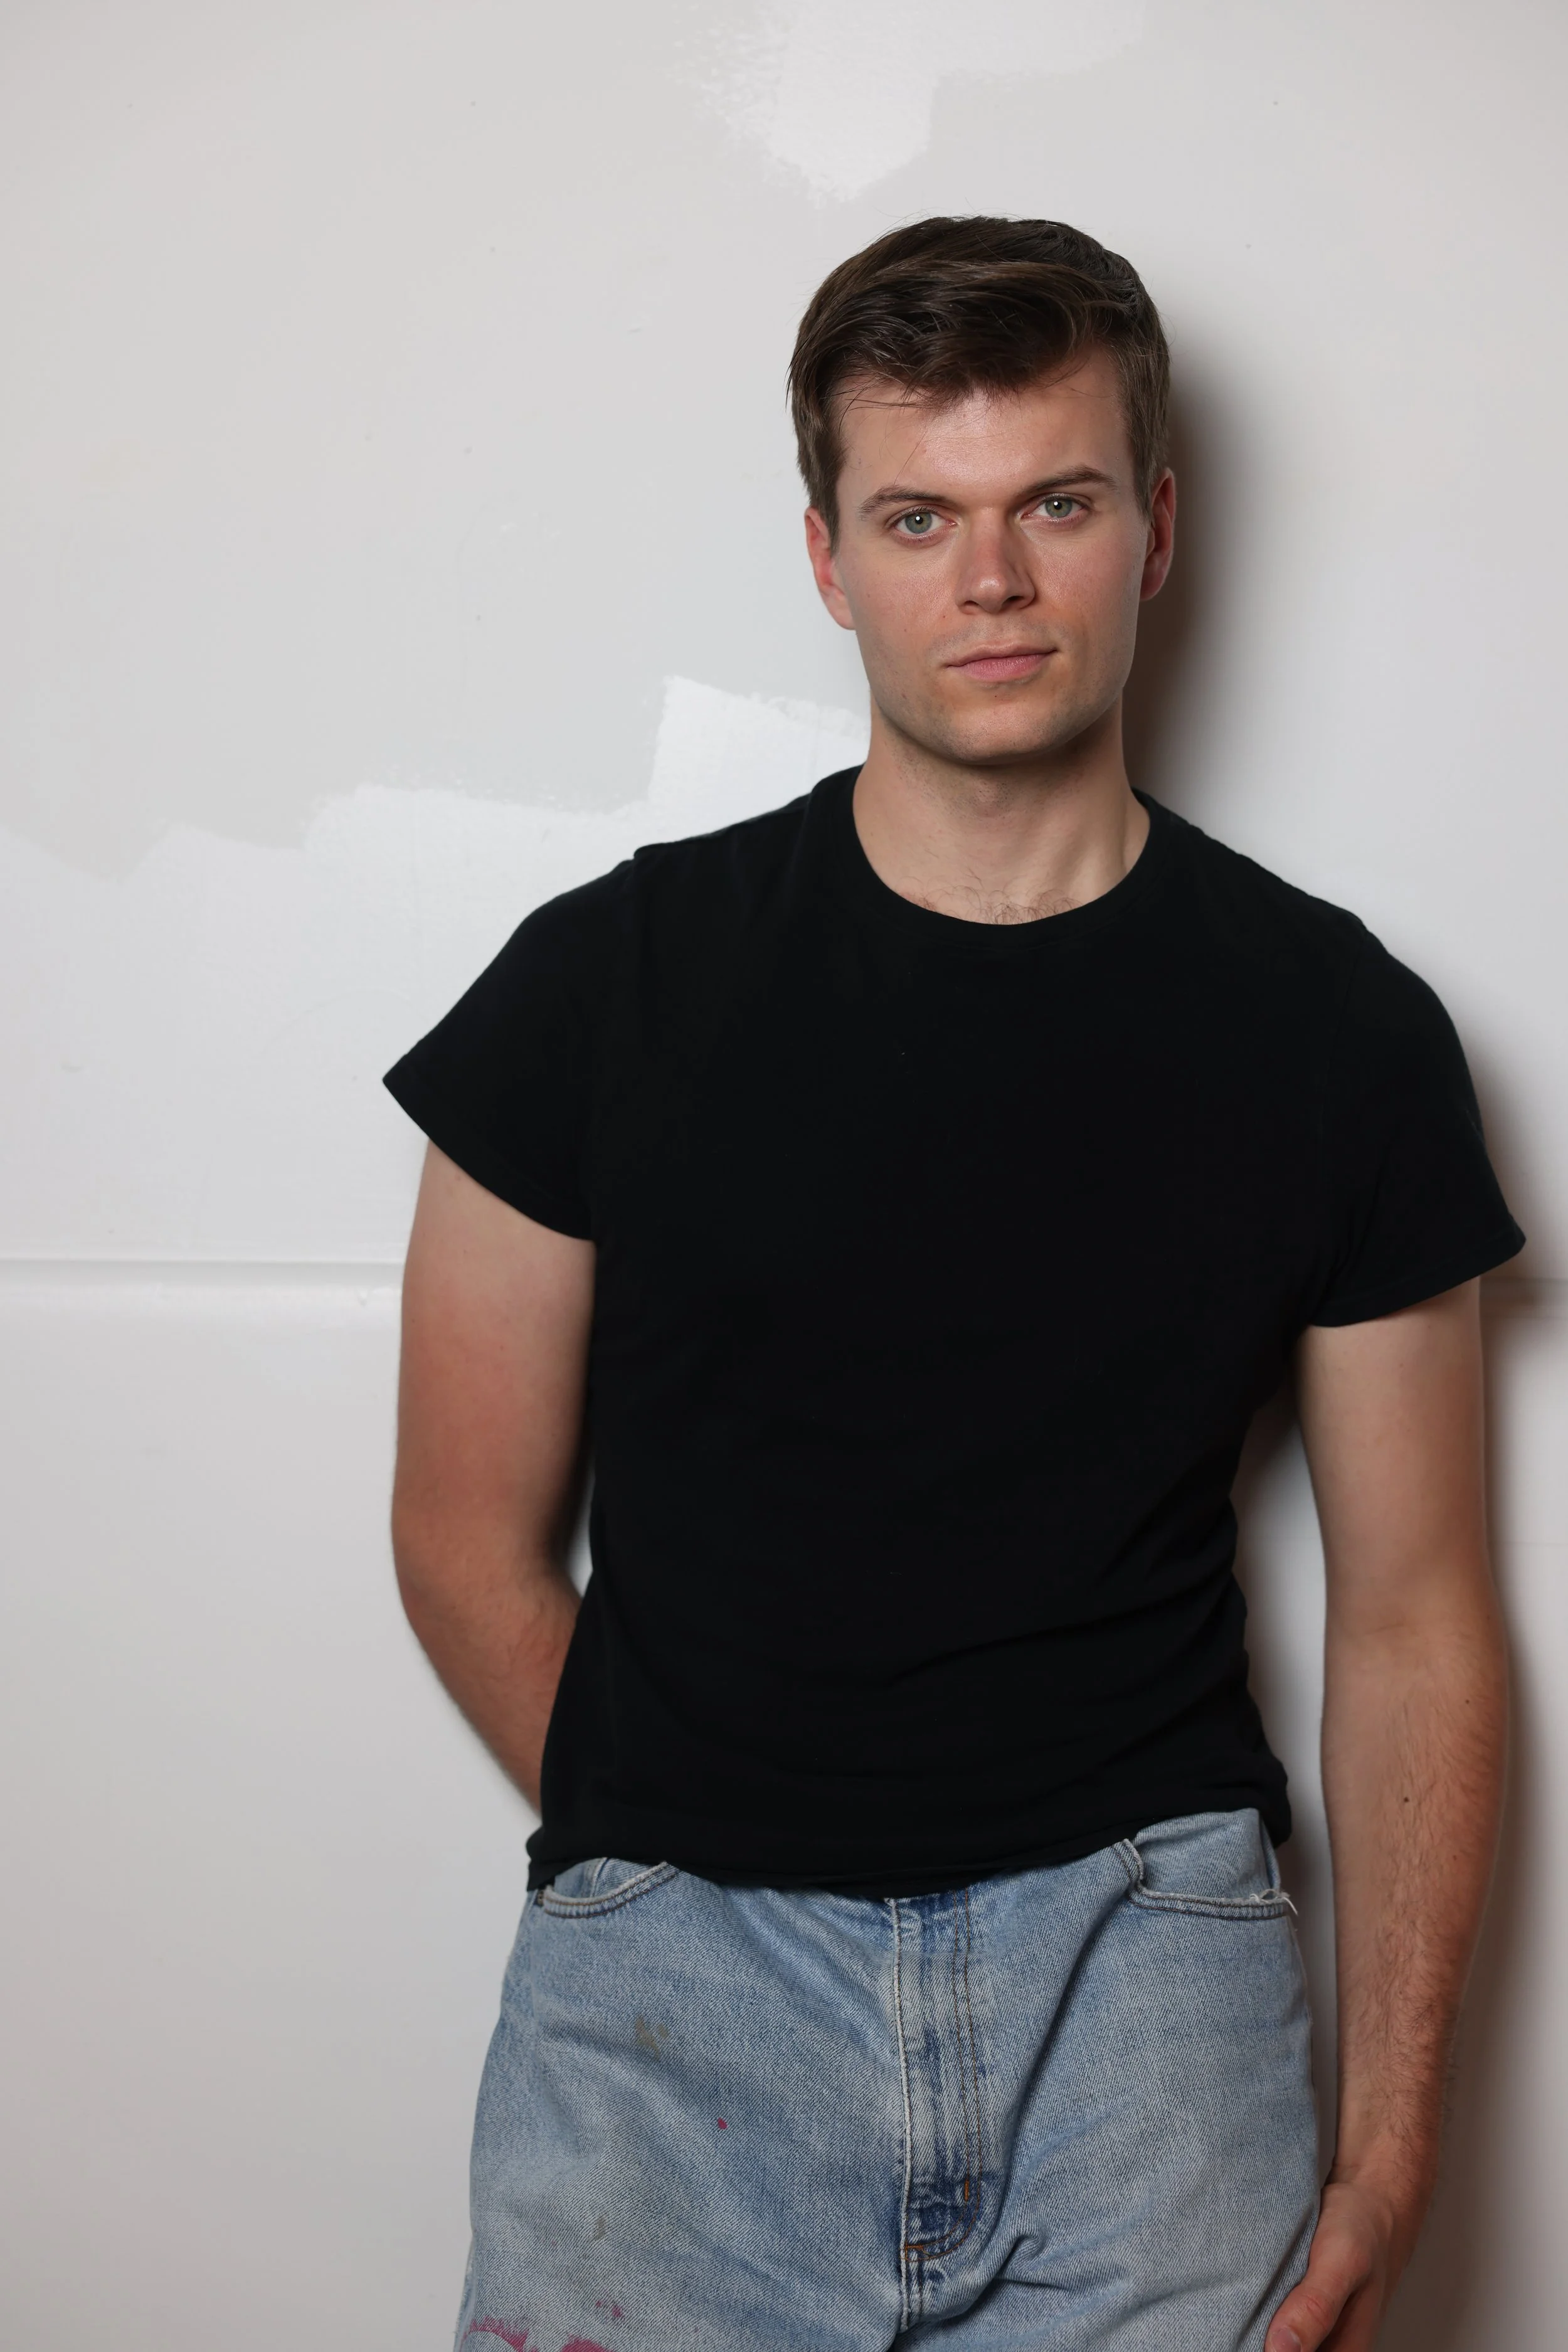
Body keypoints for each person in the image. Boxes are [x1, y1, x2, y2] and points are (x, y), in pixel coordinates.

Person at [383, 218, 1521, 2352]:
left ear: (1152, 528)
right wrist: (689, 1837)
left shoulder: (1339, 1030)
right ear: (828, 556)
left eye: (1052, 505)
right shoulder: (600, 991)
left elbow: (1414, 1614)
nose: (987, 582)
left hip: (1146, 1984)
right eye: (918, 516)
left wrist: (1389, 2150)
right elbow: (457, 1528)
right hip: (674, 2007)